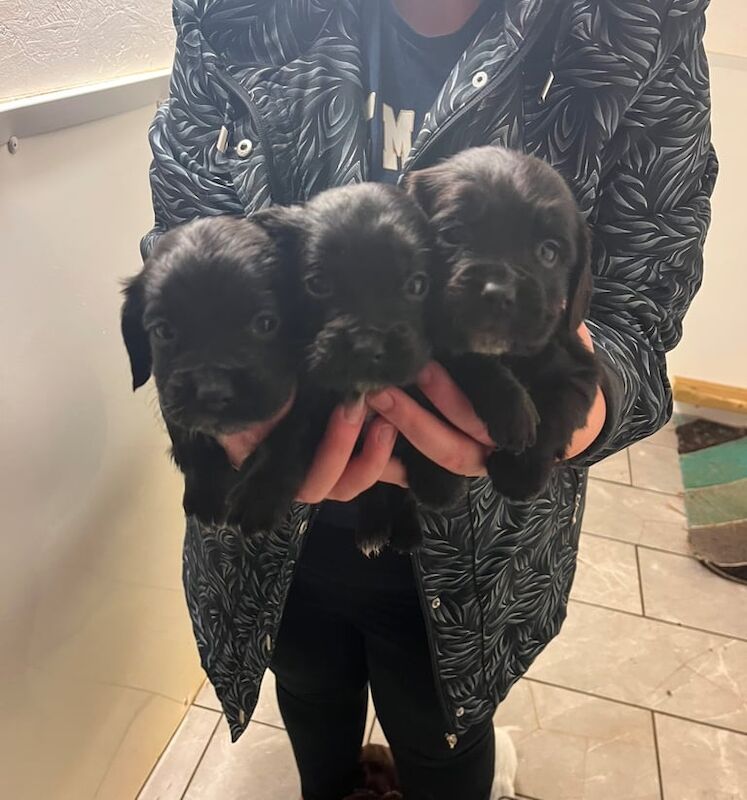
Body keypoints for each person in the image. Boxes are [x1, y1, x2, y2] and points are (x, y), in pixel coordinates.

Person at [143, 1, 716, 798]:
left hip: (480, 540)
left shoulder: (634, 21)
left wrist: (581, 402)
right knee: (306, 690)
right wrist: (221, 408)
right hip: (270, 521)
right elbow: (182, 246)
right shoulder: (238, 13)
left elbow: (641, 307)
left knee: (442, 728)